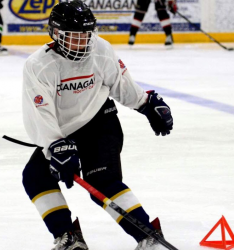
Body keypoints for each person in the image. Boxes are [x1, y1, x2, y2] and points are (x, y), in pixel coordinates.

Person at [22, 1, 173, 250]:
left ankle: (148, 235)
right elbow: (41, 113)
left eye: (85, 35)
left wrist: (146, 104)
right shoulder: (39, 65)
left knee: (103, 181)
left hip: (100, 122)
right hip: (64, 131)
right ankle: (69, 237)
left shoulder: (101, 50)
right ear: (56, 33)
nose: (82, 42)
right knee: (36, 177)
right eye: (74, 36)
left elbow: (121, 84)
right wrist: (55, 145)